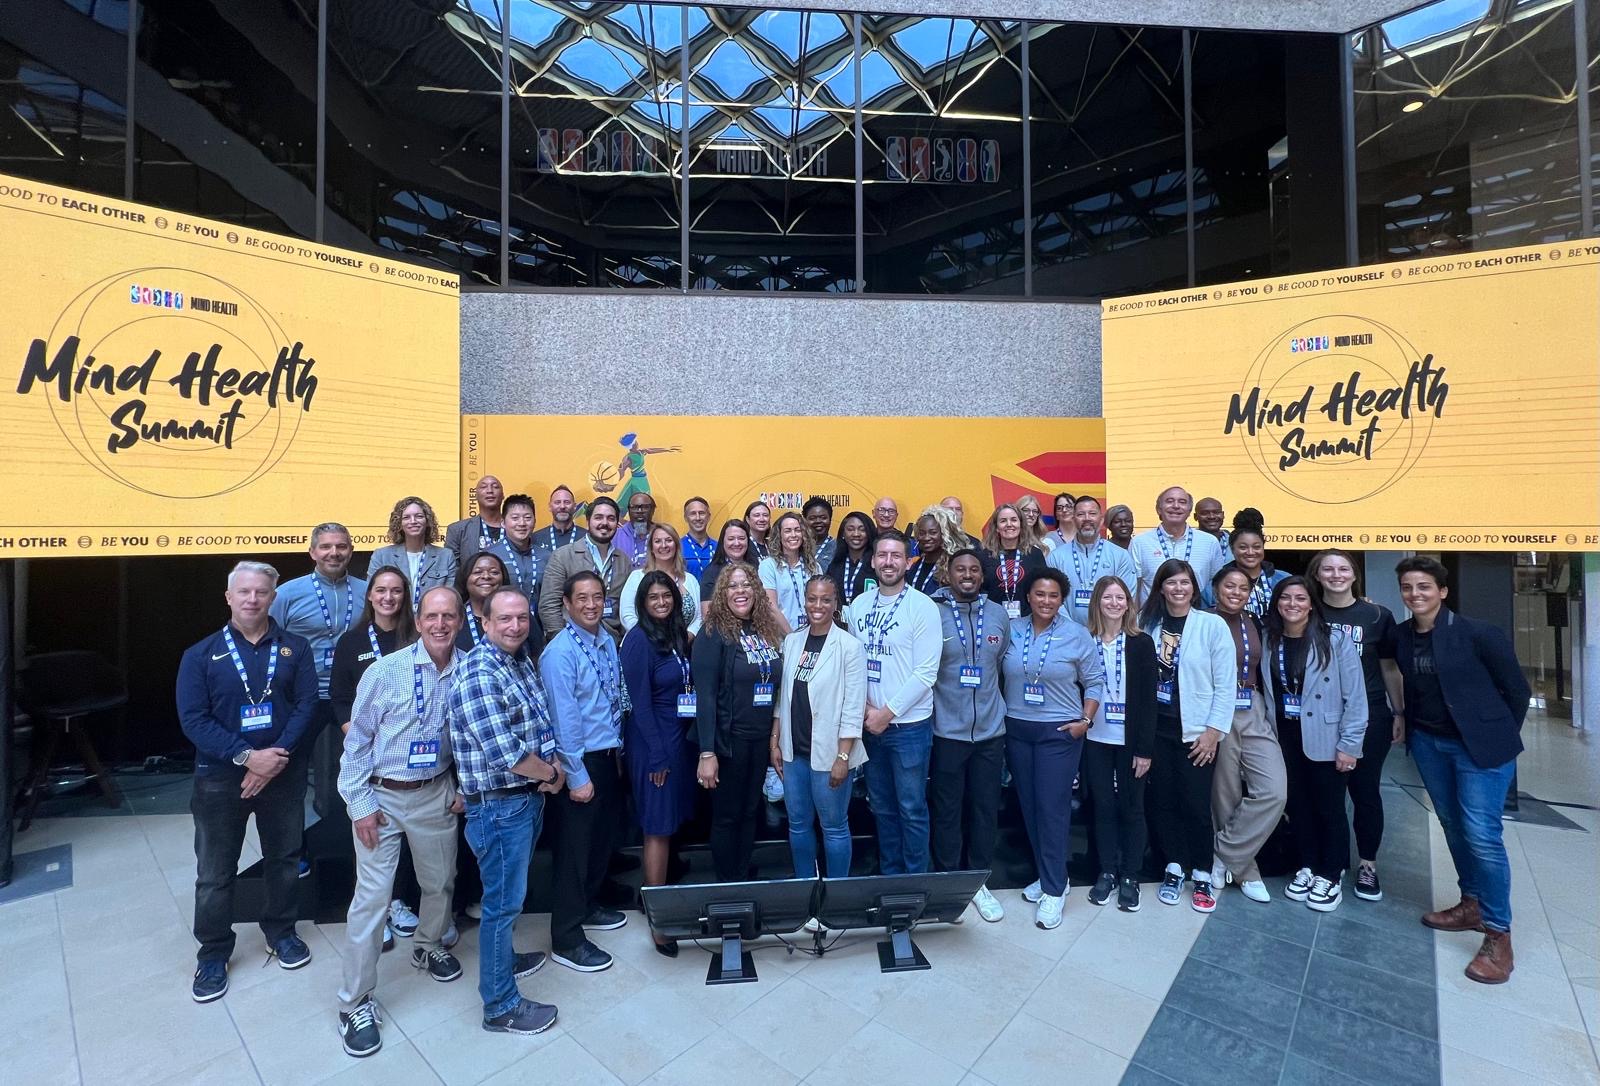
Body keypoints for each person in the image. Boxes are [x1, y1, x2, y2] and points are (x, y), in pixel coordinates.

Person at [334, 586, 467, 1058]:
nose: (440, 624)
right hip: (382, 797)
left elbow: (469, 737)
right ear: (419, 619)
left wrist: (463, 788)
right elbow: (356, 744)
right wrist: (359, 805)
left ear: (460, 620)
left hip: (436, 793)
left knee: (440, 882)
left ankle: (428, 945)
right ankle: (354, 1001)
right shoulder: (385, 671)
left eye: (449, 616)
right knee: (372, 902)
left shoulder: (469, 669)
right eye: (432, 616)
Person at [177, 561, 318, 1003]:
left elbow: (307, 705)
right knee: (215, 872)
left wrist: (273, 760)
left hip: (283, 773)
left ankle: (281, 932)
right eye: (244, 591)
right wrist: (247, 758)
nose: (253, 599)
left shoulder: (296, 648)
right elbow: (193, 719)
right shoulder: (200, 655)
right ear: (229, 597)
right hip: (220, 779)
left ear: (273, 597)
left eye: (261, 592)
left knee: (284, 859)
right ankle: (213, 952)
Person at [1393, 556, 1529, 984]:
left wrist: (1494, 735)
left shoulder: (1478, 633)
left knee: (1482, 835)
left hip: (1480, 749)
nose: (1415, 594)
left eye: (1424, 586)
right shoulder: (1401, 636)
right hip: (1430, 744)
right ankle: (1471, 903)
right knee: (1452, 824)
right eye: (1407, 587)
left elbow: (1517, 690)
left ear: (1443, 591)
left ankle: (1498, 934)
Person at [448, 586, 565, 1035]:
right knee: (501, 906)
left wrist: (551, 767)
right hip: (500, 808)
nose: (515, 626)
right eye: (504, 619)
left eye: (521, 618)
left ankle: (505, 962)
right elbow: (506, 754)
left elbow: (536, 723)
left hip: (522, 801)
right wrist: (550, 774)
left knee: (508, 899)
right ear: (484, 622)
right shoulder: (480, 672)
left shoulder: (516, 661)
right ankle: (500, 1005)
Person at [1003, 568, 1105, 929]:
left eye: (1053, 595)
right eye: (1039, 594)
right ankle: (1050, 874)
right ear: (1028, 596)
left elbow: (1095, 681)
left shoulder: (1076, 634)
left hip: (1058, 732)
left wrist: (1085, 722)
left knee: (1052, 809)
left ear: (1062, 600)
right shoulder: (1012, 629)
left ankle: (1054, 888)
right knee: (1030, 808)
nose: (1046, 601)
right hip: (1017, 729)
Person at [330, 567, 423, 952]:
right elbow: (338, 696)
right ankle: (377, 910)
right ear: (369, 595)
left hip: (409, 754)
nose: (388, 597)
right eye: (381, 590)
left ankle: (398, 901)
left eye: (396, 591)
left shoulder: (415, 637)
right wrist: (354, 731)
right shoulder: (352, 641)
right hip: (367, 754)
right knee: (372, 833)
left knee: (405, 836)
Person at [540, 571, 629, 972]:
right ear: (566, 604)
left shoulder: (606, 640)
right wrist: (576, 776)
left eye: (597, 597)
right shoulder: (560, 653)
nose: (591, 605)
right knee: (574, 854)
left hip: (608, 754)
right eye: (582, 598)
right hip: (582, 761)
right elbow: (564, 719)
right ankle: (567, 938)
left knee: (598, 843)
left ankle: (589, 906)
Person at [1262, 577, 1367, 913]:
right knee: (1299, 806)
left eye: (1300, 598)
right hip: (1285, 737)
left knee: (1329, 808)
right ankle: (1308, 865)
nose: (1292, 604)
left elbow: (1356, 696)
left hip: (1326, 737)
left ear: (1311, 604)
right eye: (1285, 598)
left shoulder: (1334, 640)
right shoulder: (1270, 639)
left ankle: (1331, 874)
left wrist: (1350, 744)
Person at [1308, 548, 1405, 903]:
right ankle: (1330, 862)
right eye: (1328, 569)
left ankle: (1368, 865)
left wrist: (1399, 712)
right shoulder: (1308, 611)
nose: (1336, 575)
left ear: (1353, 574)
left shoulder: (1377, 615)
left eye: (1343, 568)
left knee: (1366, 793)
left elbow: (1389, 667)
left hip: (1370, 716)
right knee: (1327, 796)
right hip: (1322, 716)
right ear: (1317, 575)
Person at [1139, 558, 1234, 913]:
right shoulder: (1146, 624)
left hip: (1196, 733)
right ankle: (1174, 867)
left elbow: (1225, 683)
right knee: (1162, 801)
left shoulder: (1212, 625)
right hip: (1156, 729)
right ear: (1161, 588)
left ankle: (1202, 872)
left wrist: (1213, 732)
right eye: (1171, 582)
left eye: (1184, 582)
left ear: (1194, 587)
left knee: (1195, 805)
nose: (1178, 588)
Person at [846, 531, 941, 875]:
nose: (889, 562)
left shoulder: (923, 607)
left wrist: (886, 713)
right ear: (873, 561)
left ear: (907, 562)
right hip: (869, 724)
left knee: (911, 808)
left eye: (896, 556)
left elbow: (926, 672)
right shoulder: (859, 605)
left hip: (908, 727)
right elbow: (852, 663)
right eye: (883, 555)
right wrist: (866, 711)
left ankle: (915, 882)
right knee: (882, 807)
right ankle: (891, 877)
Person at [928, 550, 1010, 922]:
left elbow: (1002, 663)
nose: (967, 575)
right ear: (948, 574)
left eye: (974, 570)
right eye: (960, 569)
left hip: (990, 732)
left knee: (984, 809)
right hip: (947, 731)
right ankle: (949, 881)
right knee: (947, 810)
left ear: (981, 575)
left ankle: (978, 881)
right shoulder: (932, 612)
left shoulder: (998, 614)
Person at [270, 523, 367, 837]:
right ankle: (291, 849)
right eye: (325, 546)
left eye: (341, 546)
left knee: (356, 770)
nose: (333, 553)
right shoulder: (286, 594)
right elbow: (270, 643)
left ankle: (347, 843)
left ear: (350, 551)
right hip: (304, 698)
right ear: (312, 552)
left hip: (351, 698)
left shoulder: (367, 591)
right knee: (290, 774)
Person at [619, 572, 699, 957]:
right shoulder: (638, 640)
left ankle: (652, 896)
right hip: (653, 742)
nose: (662, 602)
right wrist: (656, 754)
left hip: (677, 739)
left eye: (666, 595)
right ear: (642, 603)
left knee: (668, 824)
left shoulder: (676, 634)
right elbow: (640, 704)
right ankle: (658, 923)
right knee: (657, 827)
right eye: (653, 597)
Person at [694, 562, 788, 881]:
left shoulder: (764, 629)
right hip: (728, 742)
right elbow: (705, 697)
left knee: (750, 812)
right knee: (727, 816)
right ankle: (727, 886)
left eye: (746, 585)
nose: (740, 591)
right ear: (723, 592)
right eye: (733, 586)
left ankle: (742, 877)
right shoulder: (712, 632)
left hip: (759, 740)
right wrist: (707, 752)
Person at [771, 576, 867, 880]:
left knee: (834, 827)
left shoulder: (850, 646)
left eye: (826, 599)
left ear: (836, 603)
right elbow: (783, 697)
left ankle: (836, 894)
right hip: (794, 752)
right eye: (812, 598)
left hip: (830, 754)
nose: (818, 605)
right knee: (798, 825)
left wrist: (843, 757)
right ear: (805, 601)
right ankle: (805, 887)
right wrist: (775, 741)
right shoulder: (792, 641)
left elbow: (853, 706)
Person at [1206, 565, 1286, 905]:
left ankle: (1223, 853)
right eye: (1229, 586)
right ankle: (1247, 872)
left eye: (1243, 587)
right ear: (1216, 588)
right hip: (1216, 708)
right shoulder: (1203, 621)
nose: (1236, 592)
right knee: (1225, 792)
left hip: (1251, 706)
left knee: (1274, 790)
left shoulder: (1256, 622)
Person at [1080, 576, 1156, 912]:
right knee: (1102, 807)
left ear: (1128, 604)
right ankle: (1107, 871)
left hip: (1130, 741)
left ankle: (1130, 875)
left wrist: (1144, 750)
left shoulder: (1141, 643)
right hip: (1095, 738)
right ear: (1097, 602)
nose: (1114, 603)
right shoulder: (1085, 641)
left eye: (1120, 598)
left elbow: (1149, 701)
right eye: (1107, 597)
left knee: (1132, 807)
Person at [538, 497, 625, 642]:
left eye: (611, 518)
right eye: (598, 517)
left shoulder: (624, 561)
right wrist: (562, 641)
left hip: (611, 642)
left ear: (617, 523)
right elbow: (549, 605)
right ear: (588, 521)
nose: (604, 523)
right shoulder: (563, 556)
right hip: (571, 642)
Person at [1049, 495, 1139, 626]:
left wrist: (1105, 629)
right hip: (1067, 632)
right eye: (1081, 514)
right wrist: (1071, 629)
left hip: (1109, 631)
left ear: (1101, 520)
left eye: (1092, 513)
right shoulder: (1056, 557)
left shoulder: (1120, 556)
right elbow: (1052, 596)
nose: (1087, 518)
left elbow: (1126, 596)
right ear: (1073, 519)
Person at [1130, 487, 1227, 603]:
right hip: (1153, 613)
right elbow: (1134, 588)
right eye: (1169, 501)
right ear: (1158, 509)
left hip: (1196, 612)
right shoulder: (1139, 542)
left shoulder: (1209, 542)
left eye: (1182, 502)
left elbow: (1217, 584)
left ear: (1189, 511)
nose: (1176, 506)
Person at [367, 497, 457, 608]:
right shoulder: (381, 556)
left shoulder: (446, 556)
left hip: (432, 616)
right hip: (394, 617)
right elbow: (372, 594)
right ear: (399, 524)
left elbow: (450, 597)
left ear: (428, 521)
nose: (413, 521)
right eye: (406, 517)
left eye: (419, 516)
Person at [621, 523, 703, 635]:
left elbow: (699, 617)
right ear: (651, 548)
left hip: (684, 643)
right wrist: (652, 638)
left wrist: (688, 636)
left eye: (668, 540)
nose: (663, 545)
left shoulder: (690, 580)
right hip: (646, 642)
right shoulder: (637, 577)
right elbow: (627, 615)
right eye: (658, 541)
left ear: (676, 545)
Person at [1202, 508, 1286, 615]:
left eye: (1256, 547)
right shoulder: (1215, 586)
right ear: (1232, 549)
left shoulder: (1282, 580)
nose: (1250, 552)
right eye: (1243, 547)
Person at [980, 502, 1047, 619]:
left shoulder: (1035, 554)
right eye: (1003, 521)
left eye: (1014, 520)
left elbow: (1042, 587)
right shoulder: (984, 556)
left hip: (1028, 619)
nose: (1009, 524)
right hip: (993, 619)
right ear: (996, 527)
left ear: (1021, 525)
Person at [759, 510, 821, 632]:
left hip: (812, 635)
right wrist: (792, 637)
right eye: (788, 531)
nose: (793, 535)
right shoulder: (768, 566)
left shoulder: (814, 566)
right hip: (782, 637)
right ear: (779, 535)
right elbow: (771, 607)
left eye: (798, 530)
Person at [488, 494, 545, 615]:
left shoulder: (546, 556)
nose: (522, 523)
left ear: (535, 521)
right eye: (515, 518)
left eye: (527, 518)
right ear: (503, 522)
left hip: (539, 623)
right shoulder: (490, 556)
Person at [445, 475, 506, 567]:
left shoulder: (516, 528)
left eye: (495, 487)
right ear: (475, 496)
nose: (490, 490)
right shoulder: (457, 530)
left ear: (503, 495)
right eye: (484, 487)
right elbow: (452, 569)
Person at [455, 552, 510, 652]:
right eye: (477, 572)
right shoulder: (454, 618)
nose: (486, 576)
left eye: (494, 572)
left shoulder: (517, 615)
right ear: (465, 578)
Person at [827, 511, 878, 605]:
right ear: (843, 534)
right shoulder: (834, 567)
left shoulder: (877, 564)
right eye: (850, 529)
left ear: (869, 533)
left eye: (862, 530)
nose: (856, 534)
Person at [908, 507, 962, 594]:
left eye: (933, 532)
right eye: (922, 533)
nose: (926, 538)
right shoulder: (915, 565)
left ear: (945, 534)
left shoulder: (954, 566)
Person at [699, 519, 753, 600]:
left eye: (741, 538)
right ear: (723, 542)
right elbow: (707, 607)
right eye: (731, 539)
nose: (737, 543)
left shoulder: (756, 567)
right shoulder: (711, 572)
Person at [533, 485, 583, 561]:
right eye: (557, 502)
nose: (562, 506)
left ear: (574, 506)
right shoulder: (535, 539)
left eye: (567, 502)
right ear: (550, 506)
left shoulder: (586, 537)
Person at [617, 491, 656, 571]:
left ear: (653, 510)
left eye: (645, 507)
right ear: (628, 510)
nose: (640, 511)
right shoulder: (616, 536)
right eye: (634, 507)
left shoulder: (662, 535)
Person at [681, 496, 717, 581]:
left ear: (708, 516)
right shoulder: (678, 547)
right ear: (686, 518)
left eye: (702, 513)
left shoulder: (719, 547)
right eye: (693, 514)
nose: (698, 518)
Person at [803, 496, 838, 569]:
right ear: (805, 520)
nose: (818, 521)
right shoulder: (797, 547)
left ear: (830, 520)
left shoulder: (838, 547)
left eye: (823, 518)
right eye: (812, 518)